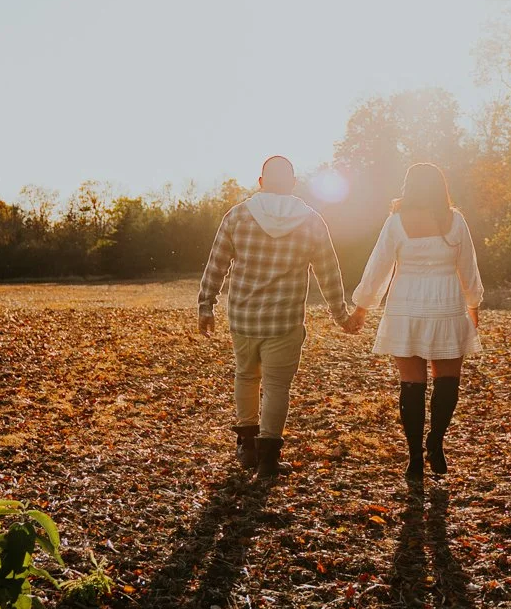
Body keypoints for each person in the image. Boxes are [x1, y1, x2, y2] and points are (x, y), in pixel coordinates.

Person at [198, 156, 364, 476]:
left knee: (246, 377)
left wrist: (206, 305)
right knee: (276, 387)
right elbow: (328, 272)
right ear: (292, 183)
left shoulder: (237, 216)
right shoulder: (311, 220)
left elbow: (216, 263)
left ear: (261, 182)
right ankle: (268, 459)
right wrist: (340, 315)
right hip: (285, 319)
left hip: (244, 318)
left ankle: (246, 447)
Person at [352, 161, 484, 481]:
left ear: (408, 187)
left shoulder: (396, 222)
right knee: (447, 380)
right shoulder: (456, 221)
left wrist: (362, 307)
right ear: (441, 187)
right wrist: (473, 304)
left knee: (411, 383)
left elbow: (378, 267)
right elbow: (468, 266)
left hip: (406, 307)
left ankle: (413, 459)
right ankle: (435, 442)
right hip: (446, 305)